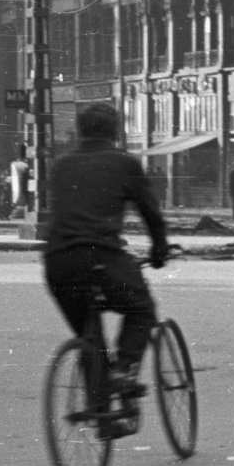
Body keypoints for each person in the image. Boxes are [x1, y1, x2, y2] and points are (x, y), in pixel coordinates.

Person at [41, 102, 170, 403]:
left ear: (80, 131)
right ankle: (123, 371)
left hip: (58, 262)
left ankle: (100, 413)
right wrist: (160, 248)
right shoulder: (124, 163)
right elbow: (150, 212)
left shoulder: (61, 164)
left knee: (89, 336)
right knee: (141, 310)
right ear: (115, 131)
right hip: (100, 255)